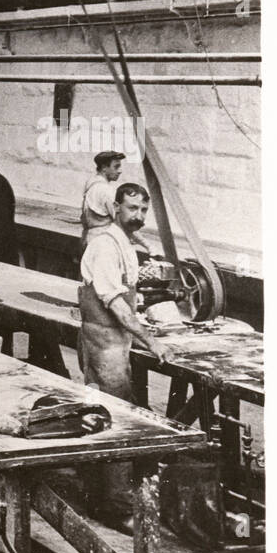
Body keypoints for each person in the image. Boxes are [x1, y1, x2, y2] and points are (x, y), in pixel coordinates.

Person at [78, 183, 167, 529]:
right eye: (132, 208)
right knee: (115, 423)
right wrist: (151, 341)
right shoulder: (104, 245)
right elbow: (114, 302)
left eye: (143, 210)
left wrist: (144, 315)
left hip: (116, 345)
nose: (139, 216)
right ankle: (116, 508)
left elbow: (127, 299)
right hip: (104, 348)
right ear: (116, 208)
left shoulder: (123, 244)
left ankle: (99, 499)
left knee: (102, 420)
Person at [80, 149, 146, 249]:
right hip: (102, 243)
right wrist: (148, 246)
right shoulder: (106, 190)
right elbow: (125, 223)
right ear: (104, 168)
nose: (120, 171)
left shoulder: (91, 183)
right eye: (116, 167)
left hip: (88, 239)